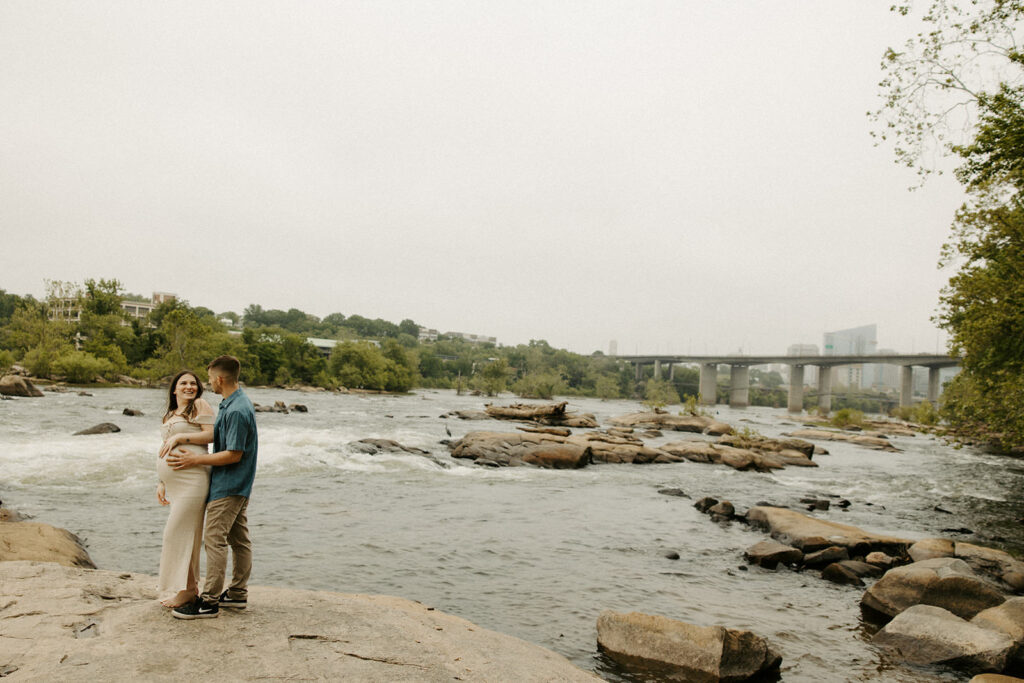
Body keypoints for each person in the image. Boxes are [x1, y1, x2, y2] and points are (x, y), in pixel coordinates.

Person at [166, 355, 258, 620]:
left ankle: (209, 602)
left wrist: (195, 459)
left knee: (214, 540)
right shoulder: (231, 404)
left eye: (209, 379)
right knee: (239, 540)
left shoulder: (239, 409)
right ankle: (238, 594)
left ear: (219, 379)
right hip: (235, 484)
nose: (208, 383)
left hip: (229, 484)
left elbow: (233, 454)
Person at [156, 370, 215, 608]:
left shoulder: (200, 405)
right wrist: (161, 481)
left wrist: (181, 437)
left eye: (193, 383)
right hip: (175, 482)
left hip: (194, 479)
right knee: (179, 534)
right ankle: (186, 587)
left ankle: (189, 590)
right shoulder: (170, 414)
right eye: (184, 383)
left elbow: (211, 435)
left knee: (178, 534)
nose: (189, 386)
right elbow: (164, 447)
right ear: (174, 389)